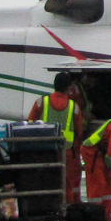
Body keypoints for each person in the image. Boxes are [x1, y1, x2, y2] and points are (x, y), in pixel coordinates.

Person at [29, 71, 86, 206]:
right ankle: (68, 213)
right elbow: (79, 132)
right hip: (67, 153)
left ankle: (47, 213)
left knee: (46, 183)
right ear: (69, 87)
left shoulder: (41, 102)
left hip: (43, 152)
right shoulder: (74, 107)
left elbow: (29, 125)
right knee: (69, 186)